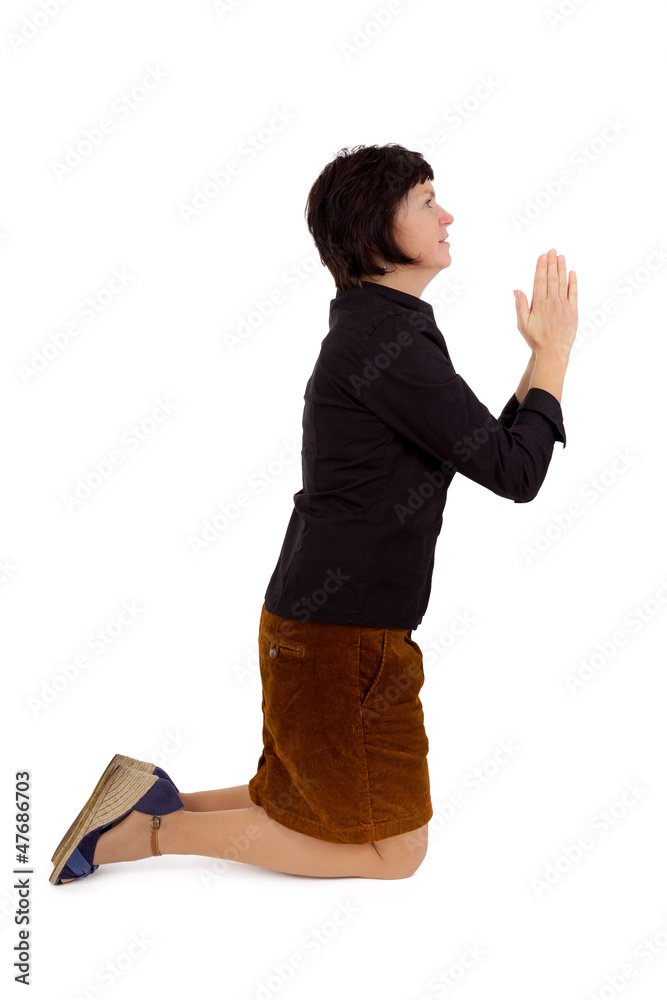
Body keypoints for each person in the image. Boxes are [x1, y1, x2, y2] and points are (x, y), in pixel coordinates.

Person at [50, 143, 577, 885]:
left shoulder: (381, 331)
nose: (447, 215)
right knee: (397, 851)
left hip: (321, 625)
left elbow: (489, 449)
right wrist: (555, 355)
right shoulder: (387, 339)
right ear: (375, 229)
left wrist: (539, 358)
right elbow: (516, 473)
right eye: (427, 201)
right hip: (343, 638)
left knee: (296, 799)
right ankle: (140, 836)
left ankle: (159, 802)